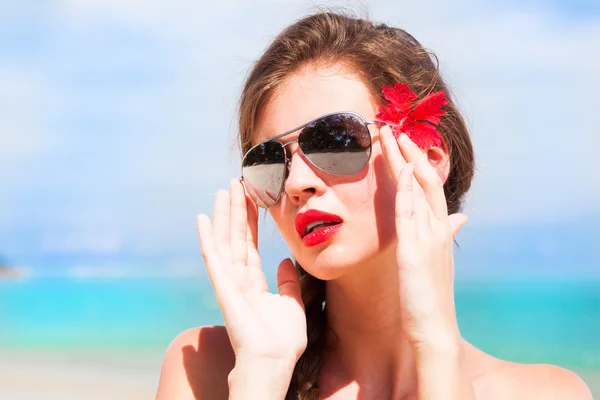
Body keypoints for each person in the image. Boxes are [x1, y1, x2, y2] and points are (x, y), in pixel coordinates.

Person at [156, 11, 592, 400]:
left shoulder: (545, 393)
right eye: (270, 162)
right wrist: (261, 374)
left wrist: (436, 343)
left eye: (334, 140)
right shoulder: (210, 371)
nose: (298, 184)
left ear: (427, 158)